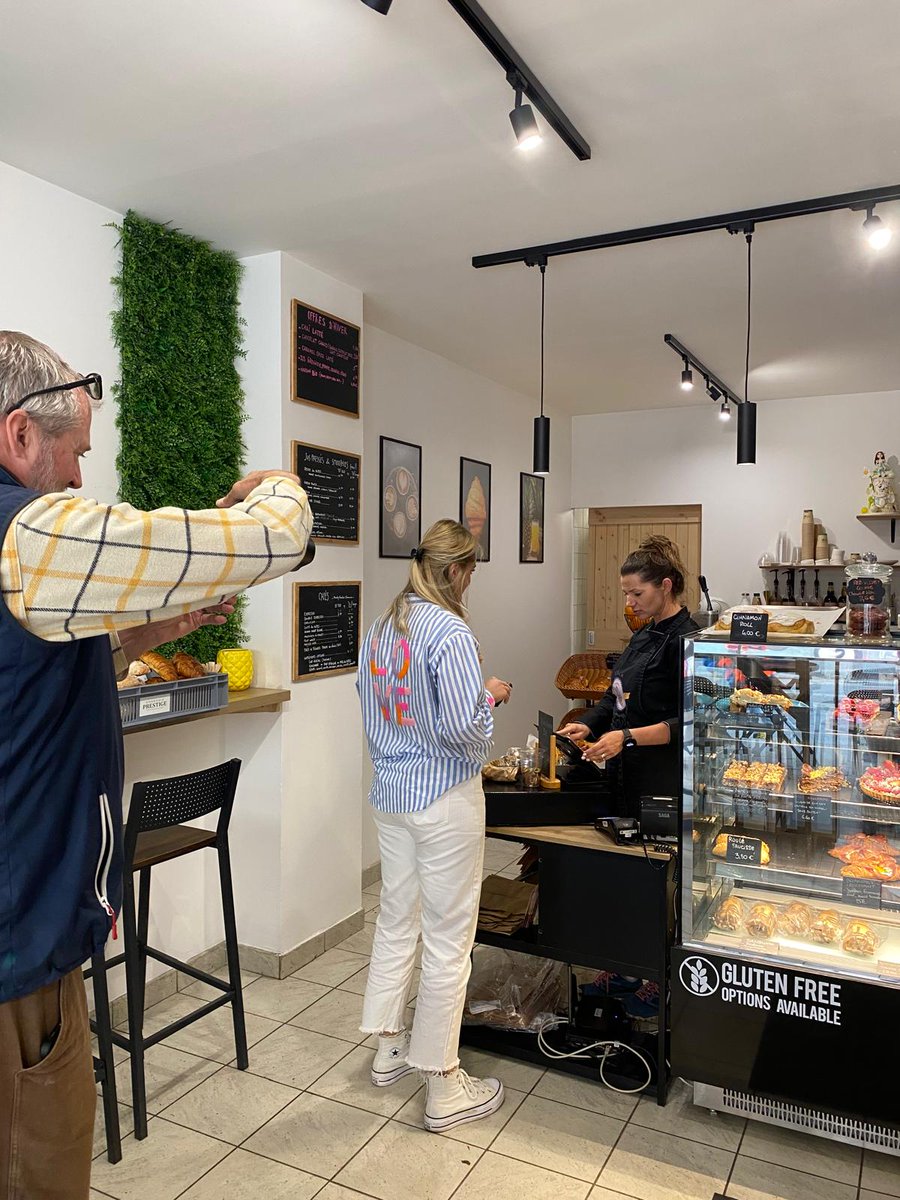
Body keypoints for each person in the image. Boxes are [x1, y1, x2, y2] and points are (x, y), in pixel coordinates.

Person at [0, 331, 313, 1200]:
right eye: (74, 459)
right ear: (19, 437)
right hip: (18, 950)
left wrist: (131, 637)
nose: (78, 484)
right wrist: (281, 491)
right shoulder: (26, 537)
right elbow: (272, 541)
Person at [357, 519, 511, 1133]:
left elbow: (371, 710)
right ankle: (443, 1082)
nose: (471, 583)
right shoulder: (448, 630)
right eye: (470, 571)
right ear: (454, 571)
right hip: (444, 797)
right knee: (449, 936)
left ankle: (389, 1046)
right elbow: (458, 728)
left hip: (391, 794)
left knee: (399, 916)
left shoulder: (380, 627)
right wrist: (488, 697)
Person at [559, 535, 698, 817]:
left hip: (661, 778)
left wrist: (626, 737)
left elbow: (689, 722)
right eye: (626, 594)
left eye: (637, 594)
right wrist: (587, 724)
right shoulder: (643, 636)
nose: (629, 603)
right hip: (622, 772)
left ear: (666, 586)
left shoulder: (686, 640)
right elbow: (616, 696)